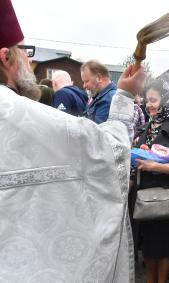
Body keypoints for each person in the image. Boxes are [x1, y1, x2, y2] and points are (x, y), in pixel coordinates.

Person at [0, 0, 145, 281]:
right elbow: (108, 151)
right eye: (24, 52)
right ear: (6, 57)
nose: (29, 61)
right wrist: (125, 96)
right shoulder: (17, 114)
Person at [130, 77, 169, 283]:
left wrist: (154, 166)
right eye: (147, 100)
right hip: (144, 196)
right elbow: (136, 160)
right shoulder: (145, 129)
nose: (149, 105)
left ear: (166, 100)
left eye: (154, 100)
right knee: (148, 244)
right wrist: (140, 153)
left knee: (167, 245)